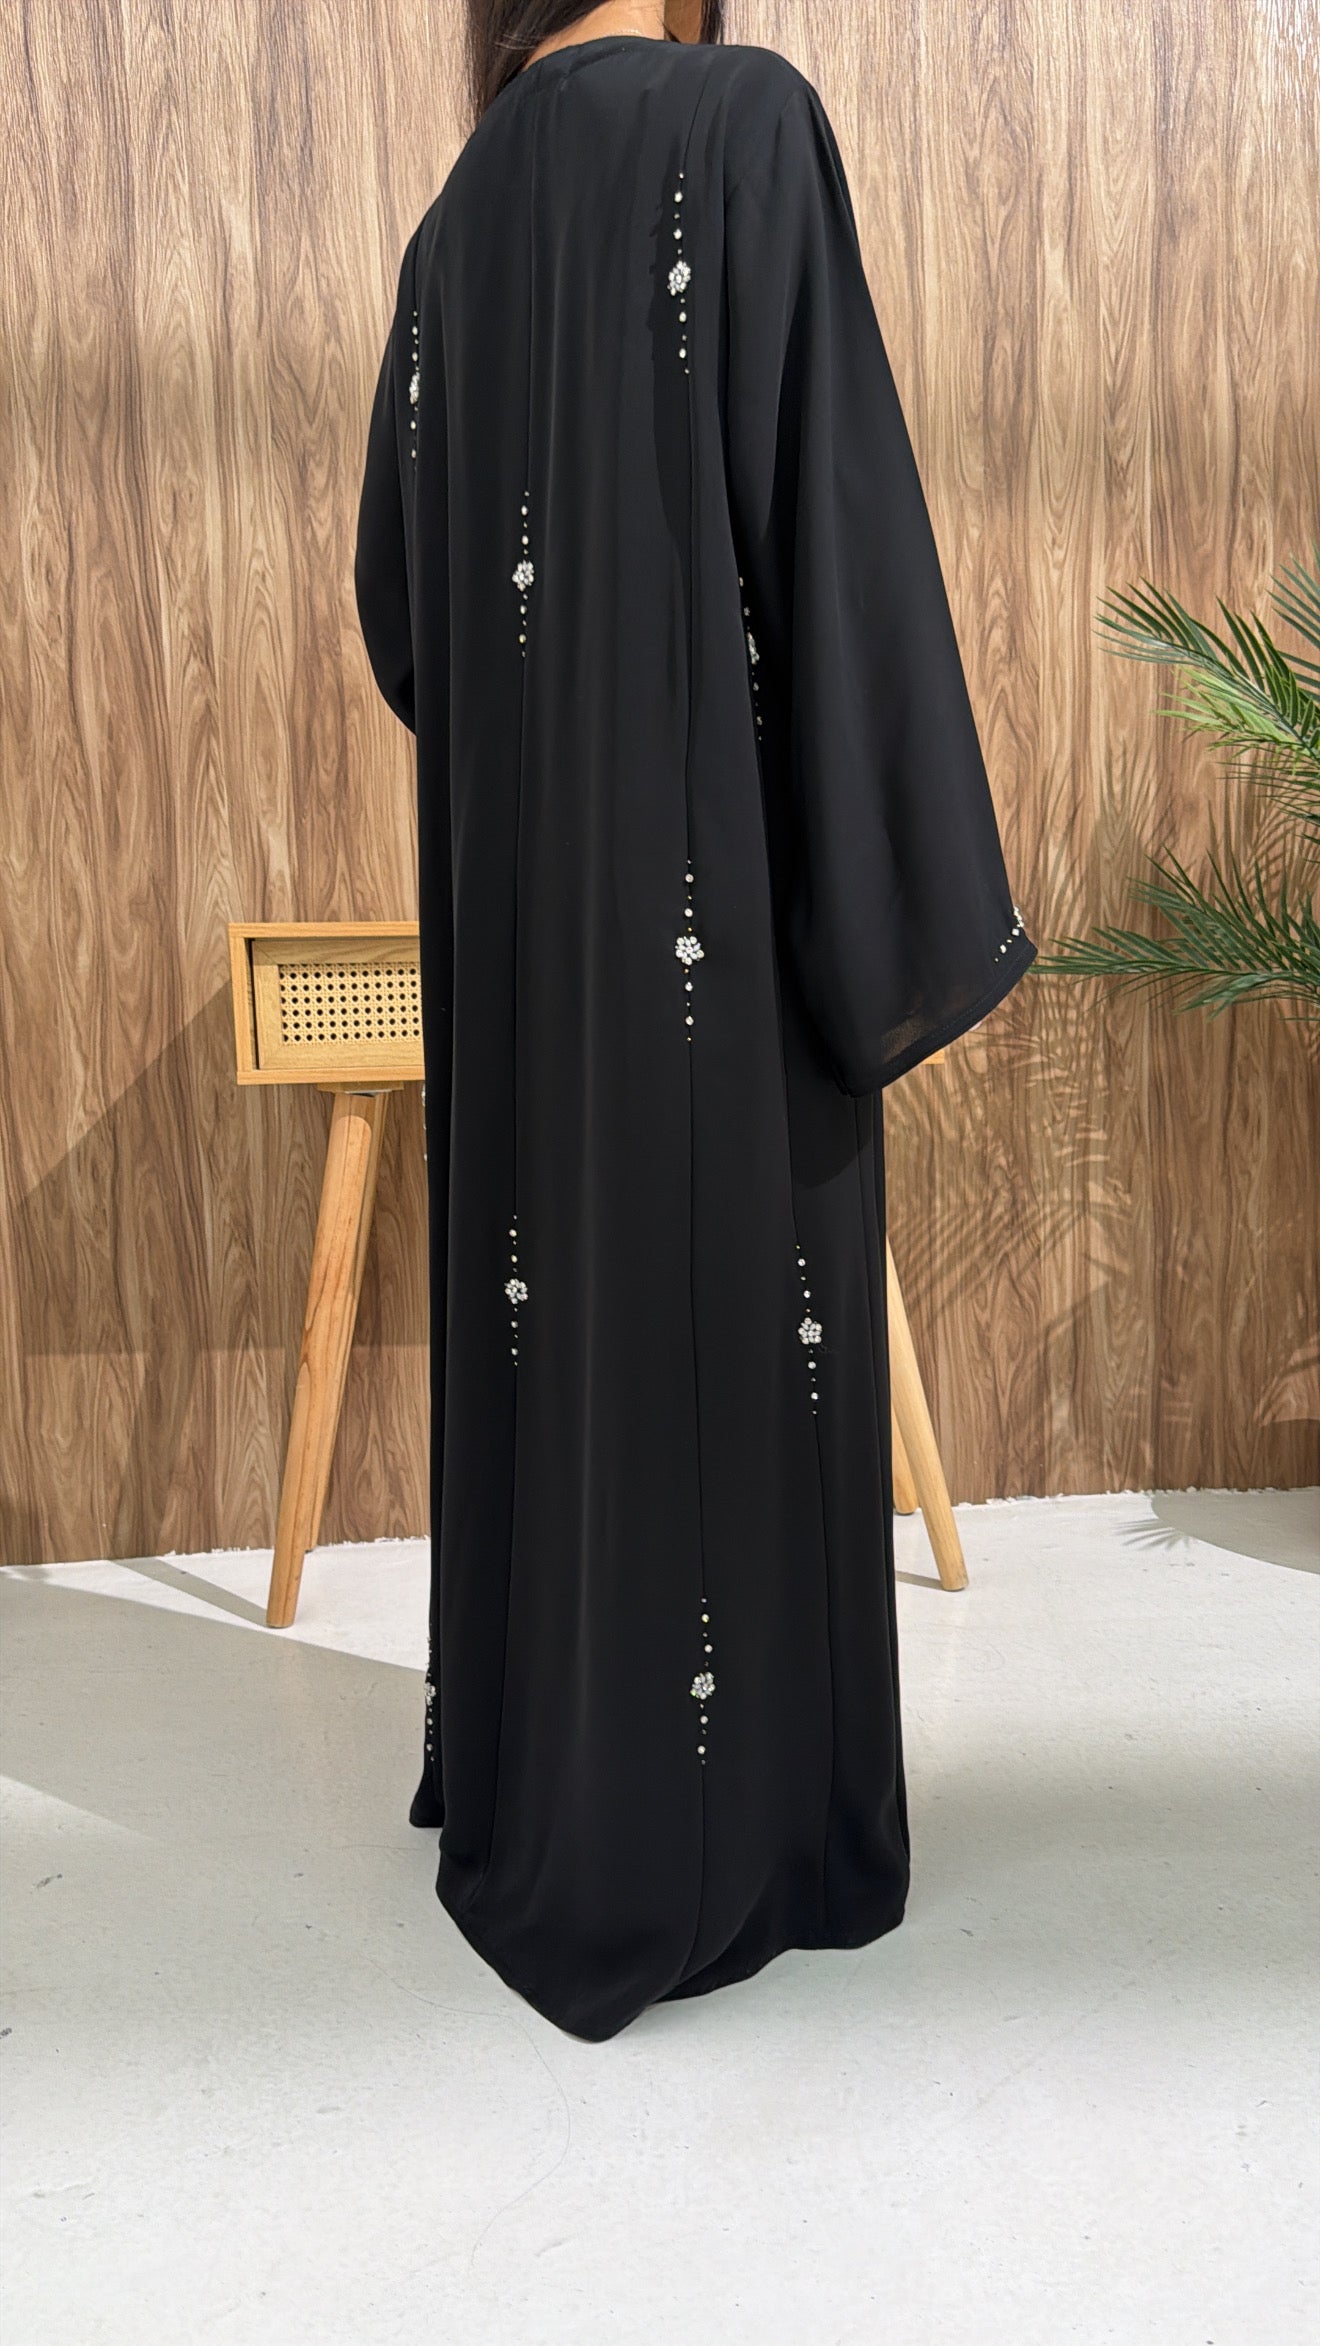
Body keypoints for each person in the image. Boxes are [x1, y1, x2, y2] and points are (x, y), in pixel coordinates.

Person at [354, 0, 1034, 2042]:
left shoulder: (453, 230)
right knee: (735, 1322)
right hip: (710, 930)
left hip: (526, 941)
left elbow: (404, 615)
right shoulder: (741, 124)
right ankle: (735, 1839)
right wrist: (878, 896)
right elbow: (834, 528)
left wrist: (551, 733)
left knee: (548, 1325)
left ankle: (545, 1788)